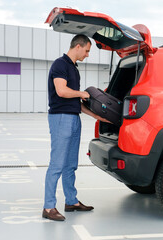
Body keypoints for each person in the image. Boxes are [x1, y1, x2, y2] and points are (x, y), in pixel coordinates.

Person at [43, 34, 108, 221]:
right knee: (57, 164)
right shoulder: (60, 64)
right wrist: (83, 93)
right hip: (60, 119)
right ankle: (48, 207)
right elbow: (62, 91)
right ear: (78, 46)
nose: (87, 54)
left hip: (73, 118)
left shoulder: (73, 68)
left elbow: (76, 101)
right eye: (87, 50)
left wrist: (96, 116)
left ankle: (71, 201)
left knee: (70, 164)